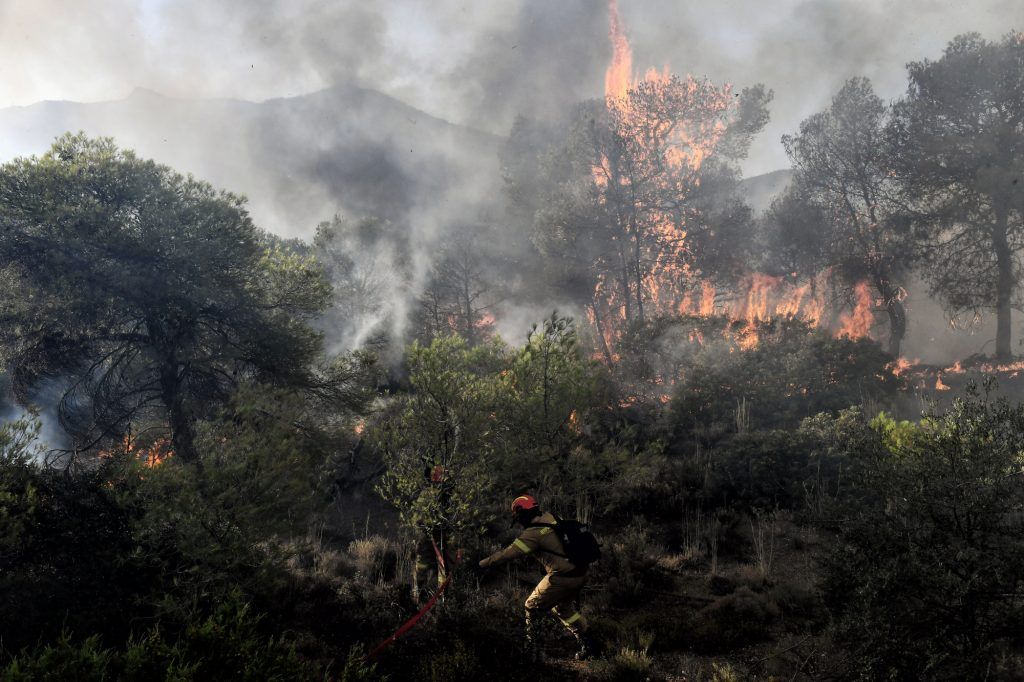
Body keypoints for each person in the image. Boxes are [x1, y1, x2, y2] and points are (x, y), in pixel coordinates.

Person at [478, 494, 597, 660]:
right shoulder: (551, 517)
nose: (519, 522)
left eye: (518, 518)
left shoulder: (532, 534)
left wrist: (482, 564)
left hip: (563, 578)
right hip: (581, 572)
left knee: (531, 606)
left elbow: (507, 554)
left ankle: (533, 650)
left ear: (522, 514)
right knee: (563, 609)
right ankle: (590, 643)